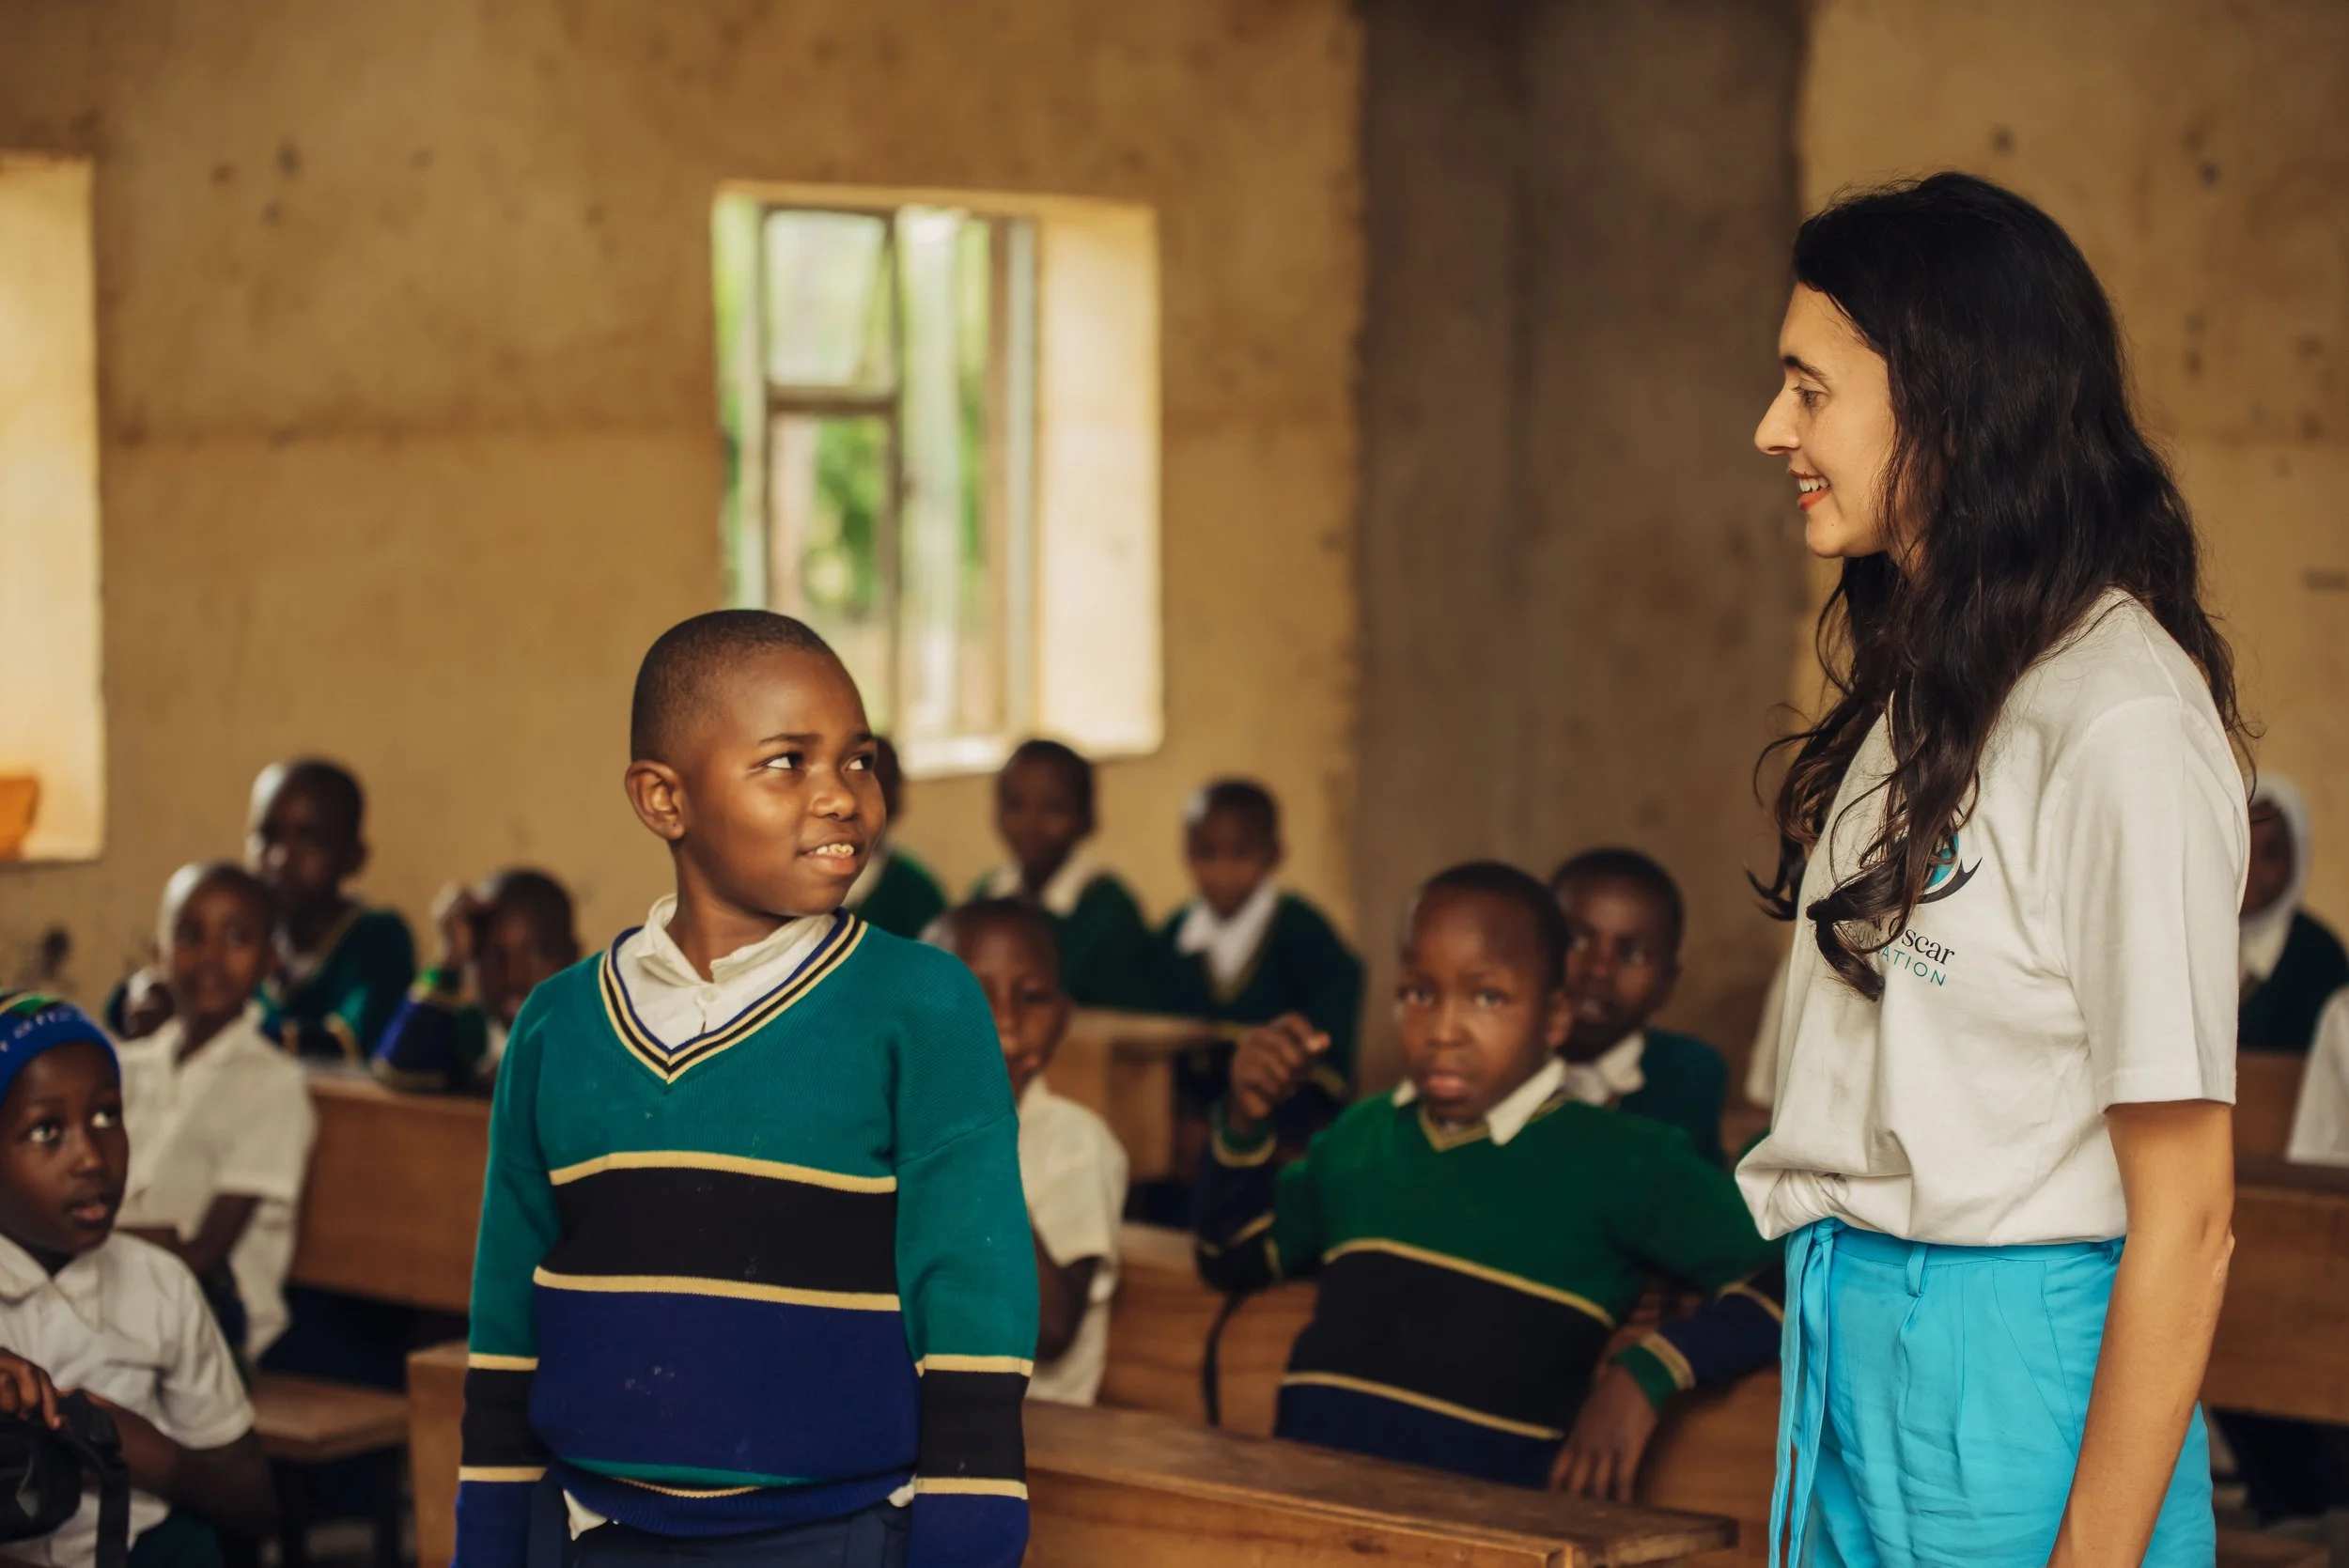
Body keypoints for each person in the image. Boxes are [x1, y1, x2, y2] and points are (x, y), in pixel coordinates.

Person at [1743, 173, 2246, 1567]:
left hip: (2012, 1364)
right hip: (1861, 1330)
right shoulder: (1942, 674)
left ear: (1949, 399)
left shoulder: (2120, 714)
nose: (1773, 428)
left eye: (1809, 389)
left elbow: (2190, 1215)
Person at [456, 612, 1034, 1568]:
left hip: (836, 1535)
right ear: (663, 799)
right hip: (595, 1533)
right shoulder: (558, 1025)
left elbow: (973, 1309)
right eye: (786, 764)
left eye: (857, 761)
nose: (842, 798)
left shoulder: (920, 1004)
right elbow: (505, 1319)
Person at [1194, 862, 1781, 1497]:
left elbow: (1792, 1278)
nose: (1444, 1031)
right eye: (1421, 992)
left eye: (1487, 997)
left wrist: (1649, 1371)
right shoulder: (1359, 1138)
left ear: (1555, 1017)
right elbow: (1232, 1255)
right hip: (1311, 1509)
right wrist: (1246, 1119)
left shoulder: (1625, 1160)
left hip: (1492, 1535)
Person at [0, 991, 276, 1568]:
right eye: (48, 1130)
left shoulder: (160, 1285)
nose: (92, 1159)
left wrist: (141, 1453)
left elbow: (253, 1501)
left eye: (107, 1116)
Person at [115, 864, 317, 1361]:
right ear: (157, 951)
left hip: (213, 1315)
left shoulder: (274, 1085)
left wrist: (82, 1249)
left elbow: (204, 1254)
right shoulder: (122, 1068)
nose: (209, 956)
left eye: (236, 938)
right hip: (109, 1290)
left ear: (270, 959)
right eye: (188, 935)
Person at [932, 899, 1128, 1405]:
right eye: (974, 994)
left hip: (1031, 1429)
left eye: (1032, 998)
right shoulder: (894, 1127)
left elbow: (1052, 1326)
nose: (1005, 1024)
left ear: (1062, 1018)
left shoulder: (1077, 1143)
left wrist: (977, 1136)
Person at [1158, 781, 1362, 1145]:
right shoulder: (1172, 937)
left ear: (1274, 854)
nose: (1221, 871)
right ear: (1186, 854)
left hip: (1283, 1128)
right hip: (1187, 1132)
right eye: (1206, 853)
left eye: (1240, 854)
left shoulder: (1305, 934)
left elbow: (1328, 1062)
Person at [1548, 848, 1729, 1165]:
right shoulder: (1498, 1068)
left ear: (1667, 983)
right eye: (1575, 940)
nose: (1599, 969)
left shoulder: (1688, 1075)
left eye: (1632, 955)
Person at [244, 759, 416, 1062]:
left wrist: (217, 1027)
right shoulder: (242, 938)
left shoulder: (378, 938)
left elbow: (350, 1043)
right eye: (267, 835)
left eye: (311, 840)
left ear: (354, 857)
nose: (280, 859)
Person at [972, 738, 1159, 1009]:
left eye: (1053, 808)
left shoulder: (1112, 911)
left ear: (1087, 819)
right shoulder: (984, 899)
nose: (1030, 824)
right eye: (1015, 805)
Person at [372, 870, 581, 1093]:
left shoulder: (598, 1049)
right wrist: (448, 960)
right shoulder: (464, 1040)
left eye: (537, 953)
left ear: (573, 957)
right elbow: (396, 1073)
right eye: (493, 955)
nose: (513, 976)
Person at [2239, 773, 2349, 1055]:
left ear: (2297, 860)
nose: (2252, 868)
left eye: (2272, 852)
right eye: (2243, 846)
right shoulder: (2187, 937)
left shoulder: (2318, 954)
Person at [841, 738, 949, 940]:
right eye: (853, 783)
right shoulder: (798, 881)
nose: (860, 804)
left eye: (881, 787)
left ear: (897, 801)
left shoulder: (916, 895)